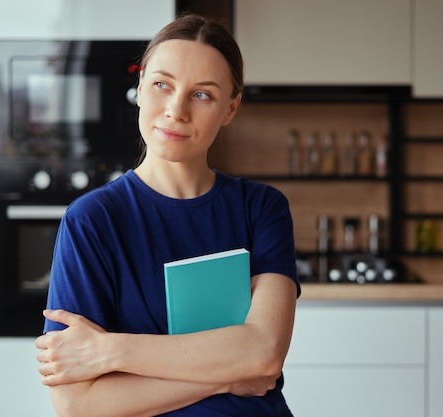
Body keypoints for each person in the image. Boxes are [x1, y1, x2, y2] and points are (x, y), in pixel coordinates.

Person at [35, 13, 300, 417]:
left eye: (202, 95)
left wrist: (111, 351)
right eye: (162, 85)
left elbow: (263, 355)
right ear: (140, 87)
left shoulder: (262, 208)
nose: (176, 110)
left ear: (231, 108)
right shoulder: (91, 221)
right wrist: (229, 374)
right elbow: (76, 404)